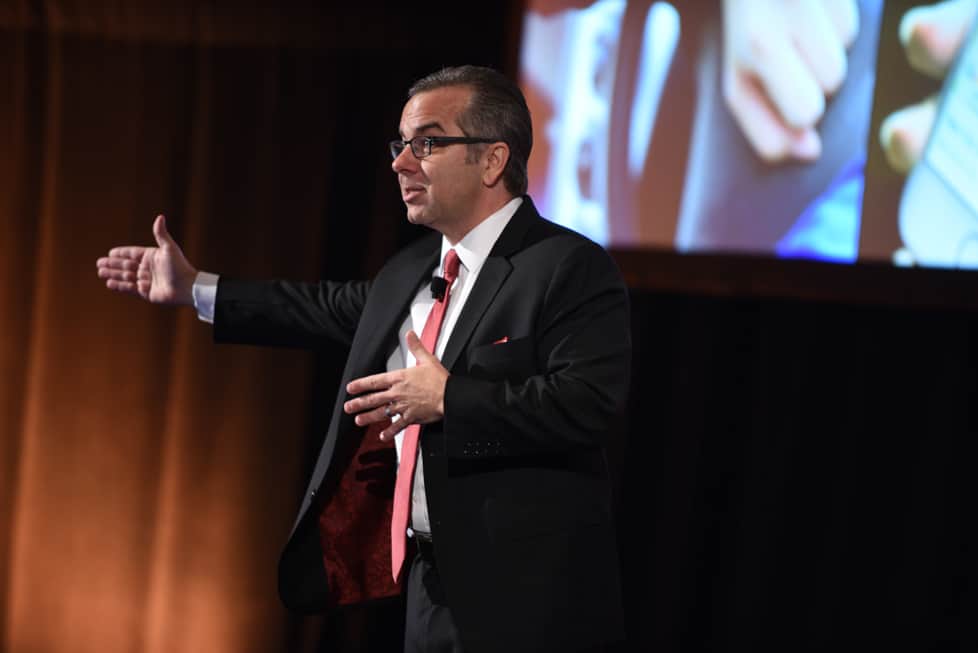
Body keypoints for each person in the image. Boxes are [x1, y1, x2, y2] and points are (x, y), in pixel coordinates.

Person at [96, 65, 631, 653]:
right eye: (400, 145)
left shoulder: (566, 266)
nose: (401, 162)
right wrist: (195, 287)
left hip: (530, 602)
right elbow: (317, 307)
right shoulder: (410, 271)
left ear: (492, 159)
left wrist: (448, 398)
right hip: (429, 586)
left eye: (427, 143)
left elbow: (586, 405)